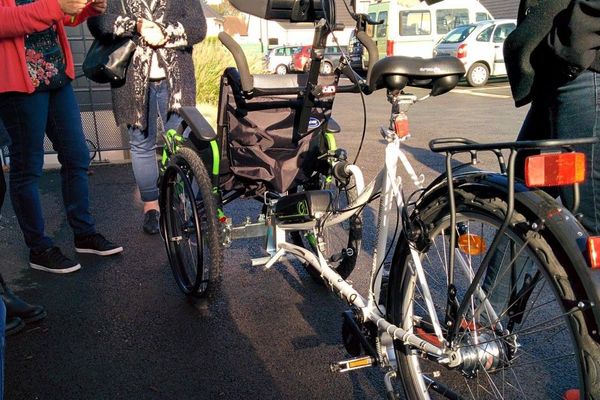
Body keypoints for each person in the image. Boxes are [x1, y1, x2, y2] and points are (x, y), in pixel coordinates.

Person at [0, 0, 123, 274]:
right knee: (28, 167)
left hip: (56, 78)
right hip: (19, 86)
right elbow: (5, 21)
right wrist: (57, 6)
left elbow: (60, 16)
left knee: (77, 155)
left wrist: (86, 9)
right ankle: (39, 248)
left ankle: (84, 233)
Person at [87, 0, 206, 234]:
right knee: (141, 145)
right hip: (131, 82)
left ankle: (184, 202)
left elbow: (199, 27)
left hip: (178, 82)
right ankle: (151, 207)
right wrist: (138, 25)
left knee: (182, 144)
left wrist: (164, 32)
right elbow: (97, 22)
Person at [504, 0, 600, 235]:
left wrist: (581, 29)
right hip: (556, 71)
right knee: (516, 204)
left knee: (589, 224)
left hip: (585, 64)